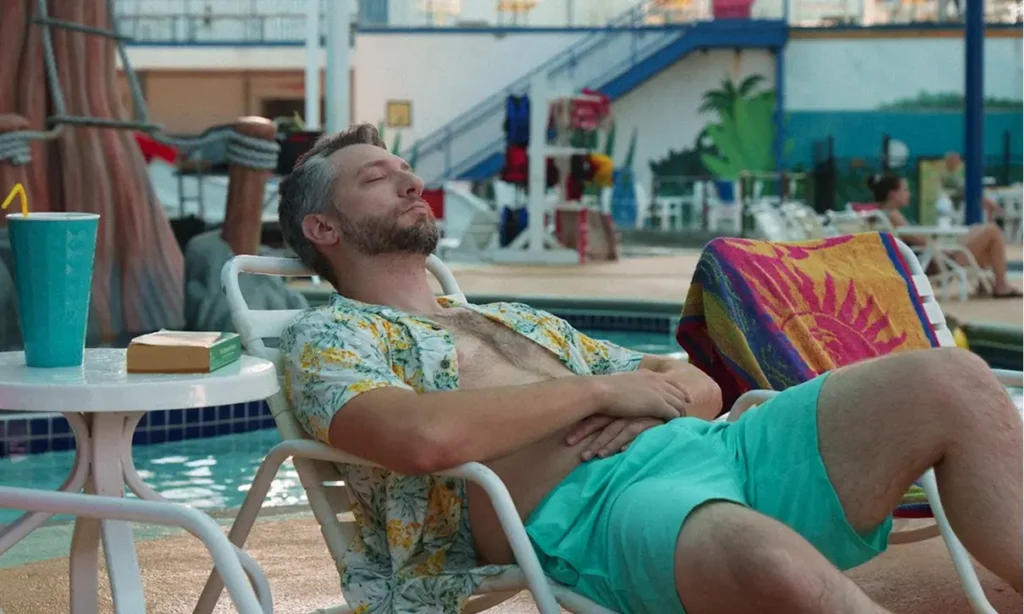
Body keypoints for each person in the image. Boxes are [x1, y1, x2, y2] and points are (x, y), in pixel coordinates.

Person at [277, 124, 1023, 614]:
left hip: (720, 446)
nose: (412, 184)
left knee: (950, 379)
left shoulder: (513, 318)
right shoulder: (330, 334)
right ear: (323, 227)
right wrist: (603, 391)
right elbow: (420, 439)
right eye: (378, 179)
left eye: (407, 171)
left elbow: (697, 384)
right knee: (767, 561)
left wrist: (646, 400)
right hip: (594, 510)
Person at [867, 172, 1022, 298]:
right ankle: (1001, 285)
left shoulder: (882, 215)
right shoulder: (892, 216)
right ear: (893, 194)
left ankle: (988, 284)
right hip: (937, 264)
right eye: (905, 190)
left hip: (931, 260)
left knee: (978, 230)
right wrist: (941, 246)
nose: (909, 194)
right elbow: (920, 241)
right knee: (991, 231)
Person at [939, 151, 1004, 221]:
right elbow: (960, 187)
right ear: (949, 161)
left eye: (958, 160)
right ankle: (998, 211)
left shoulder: (956, 174)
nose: (958, 163)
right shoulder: (948, 175)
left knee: (984, 200)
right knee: (983, 200)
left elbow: (962, 185)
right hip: (959, 198)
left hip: (964, 196)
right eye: (955, 160)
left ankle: (995, 215)